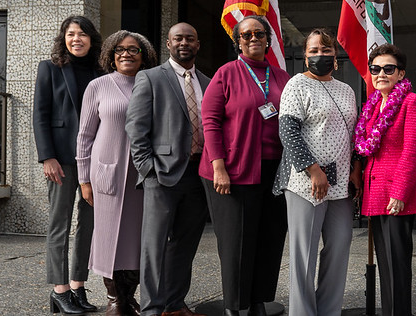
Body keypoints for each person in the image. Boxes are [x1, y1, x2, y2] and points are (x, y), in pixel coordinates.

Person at [199, 16, 290, 316]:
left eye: (259, 33)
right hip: (234, 171)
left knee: (270, 237)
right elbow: (210, 122)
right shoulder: (226, 73)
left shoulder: (281, 77)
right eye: (246, 34)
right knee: (238, 242)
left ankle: (258, 301)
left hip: (274, 170)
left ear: (268, 39)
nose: (253, 38)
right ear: (238, 40)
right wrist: (218, 167)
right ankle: (235, 306)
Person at [273, 28, 361, 316]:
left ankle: (328, 311)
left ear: (335, 56)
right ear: (304, 56)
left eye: (326, 51)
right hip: (305, 182)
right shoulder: (296, 85)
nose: (320, 56)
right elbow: (288, 131)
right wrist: (313, 170)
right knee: (304, 255)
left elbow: (354, 133)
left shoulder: (346, 89)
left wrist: (356, 167)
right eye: (313, 51)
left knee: (339, 247)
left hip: (341, 184)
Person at [125, 22, 210, 316]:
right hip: (161, 174)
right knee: (154, 246)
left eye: (190, 38)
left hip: (198, 175)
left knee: (185, 244)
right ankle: (151, 307)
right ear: (168, 43)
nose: (184, 43)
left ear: (197, 45)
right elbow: (136, 128)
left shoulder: (208, 82)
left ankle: (174, 303)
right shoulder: (150, 78)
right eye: (178, 38)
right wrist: (147, 169)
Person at [76, 30, 158, 315]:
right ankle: (114, 299)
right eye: (120, 49)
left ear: (143, 55)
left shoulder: (152, 84)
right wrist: (83, 178)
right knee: (107, 236)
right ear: (111, 55)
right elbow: (84, 136)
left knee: (136, 237)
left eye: (133, 49)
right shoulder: (98, 86)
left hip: (142, 175)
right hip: (106, 173)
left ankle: (130, 296)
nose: (126, 54)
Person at [33, 15, 103, 314]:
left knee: (88, 225)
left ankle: (78, 285)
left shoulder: (101, 70)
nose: (77, 39)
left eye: (83, 34)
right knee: (59, 224)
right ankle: (59, 290)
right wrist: (46, 156)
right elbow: (40, 114)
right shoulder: (49, 68)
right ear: (64, 38)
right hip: (61, 159)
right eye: (72, 34)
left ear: (92, 38)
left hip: (94, 159)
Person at [354, 44, 416, 316]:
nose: (381, 73)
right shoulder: (373, 105)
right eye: (376, 69)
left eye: (388, 69)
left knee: (397, 268)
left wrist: (400, 192)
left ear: (401, 73)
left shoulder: (412, 102)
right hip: (375, 193)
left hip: (397, 197)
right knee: (385, 266)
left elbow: (412, 150)